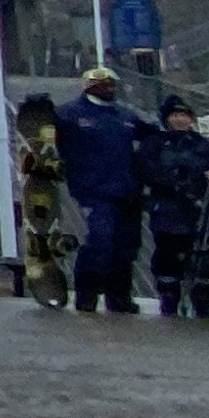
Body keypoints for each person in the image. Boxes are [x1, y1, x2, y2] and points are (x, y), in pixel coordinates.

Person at [55, 66, 151, 313]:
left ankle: (118, 296)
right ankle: (86, 293)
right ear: (90, 86)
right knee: (100, 241)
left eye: (112, 84)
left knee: (126, 247)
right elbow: (43, 135)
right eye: (103, 84)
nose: (109, 89)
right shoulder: (69, 114)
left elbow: (154, 137)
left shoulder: (126, 116)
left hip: (127, 191)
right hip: (93, 191)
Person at [144, 98, 209, 319]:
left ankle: (203, 297)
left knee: (204, 255)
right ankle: (169, 297)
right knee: (168, 255)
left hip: (197, 211)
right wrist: (174, 184)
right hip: (167, 209)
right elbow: (148, 170)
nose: (180, 120)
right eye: (175, 115)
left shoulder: (203, 144)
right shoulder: (156, 143)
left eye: (184, 115)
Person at [13, 93, 72, 308]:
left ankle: (50, 260)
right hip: (35, 190)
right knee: (38, 233)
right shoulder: (28, 147)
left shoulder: (52, 138)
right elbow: (28, 164)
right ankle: (42, 268)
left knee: (48, 229)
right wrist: (51, 167)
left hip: (47, 192)